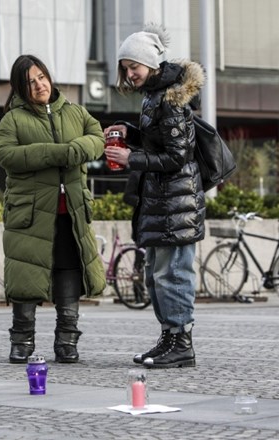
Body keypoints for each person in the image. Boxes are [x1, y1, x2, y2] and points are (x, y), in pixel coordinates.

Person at [104, 24, 206, 369]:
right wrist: (127, 130)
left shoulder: (172, 99)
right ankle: (169, 338)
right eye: (125, 67)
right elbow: (157, 141)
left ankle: (181, 344)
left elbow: (178, 156)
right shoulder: (153, 95)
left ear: (151, 63)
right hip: (162, 202)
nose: (129, 73)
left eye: (134, 66)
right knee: (155, 275)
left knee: (173, 274)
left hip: (177, 204)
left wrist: (131, 158)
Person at [0, 54, 106, 364]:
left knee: (69, 271)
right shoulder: (12, 120)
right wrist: (57, 153)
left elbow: (98, 139)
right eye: (30, 82)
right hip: (29, 213)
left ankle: (67, 340)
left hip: (70, 211)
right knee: (25, 274)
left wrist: (76, 150)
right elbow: (6, 155)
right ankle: (22, 340)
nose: (39, 85)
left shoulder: (75, 112)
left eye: (41, 77)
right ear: (20, 88)